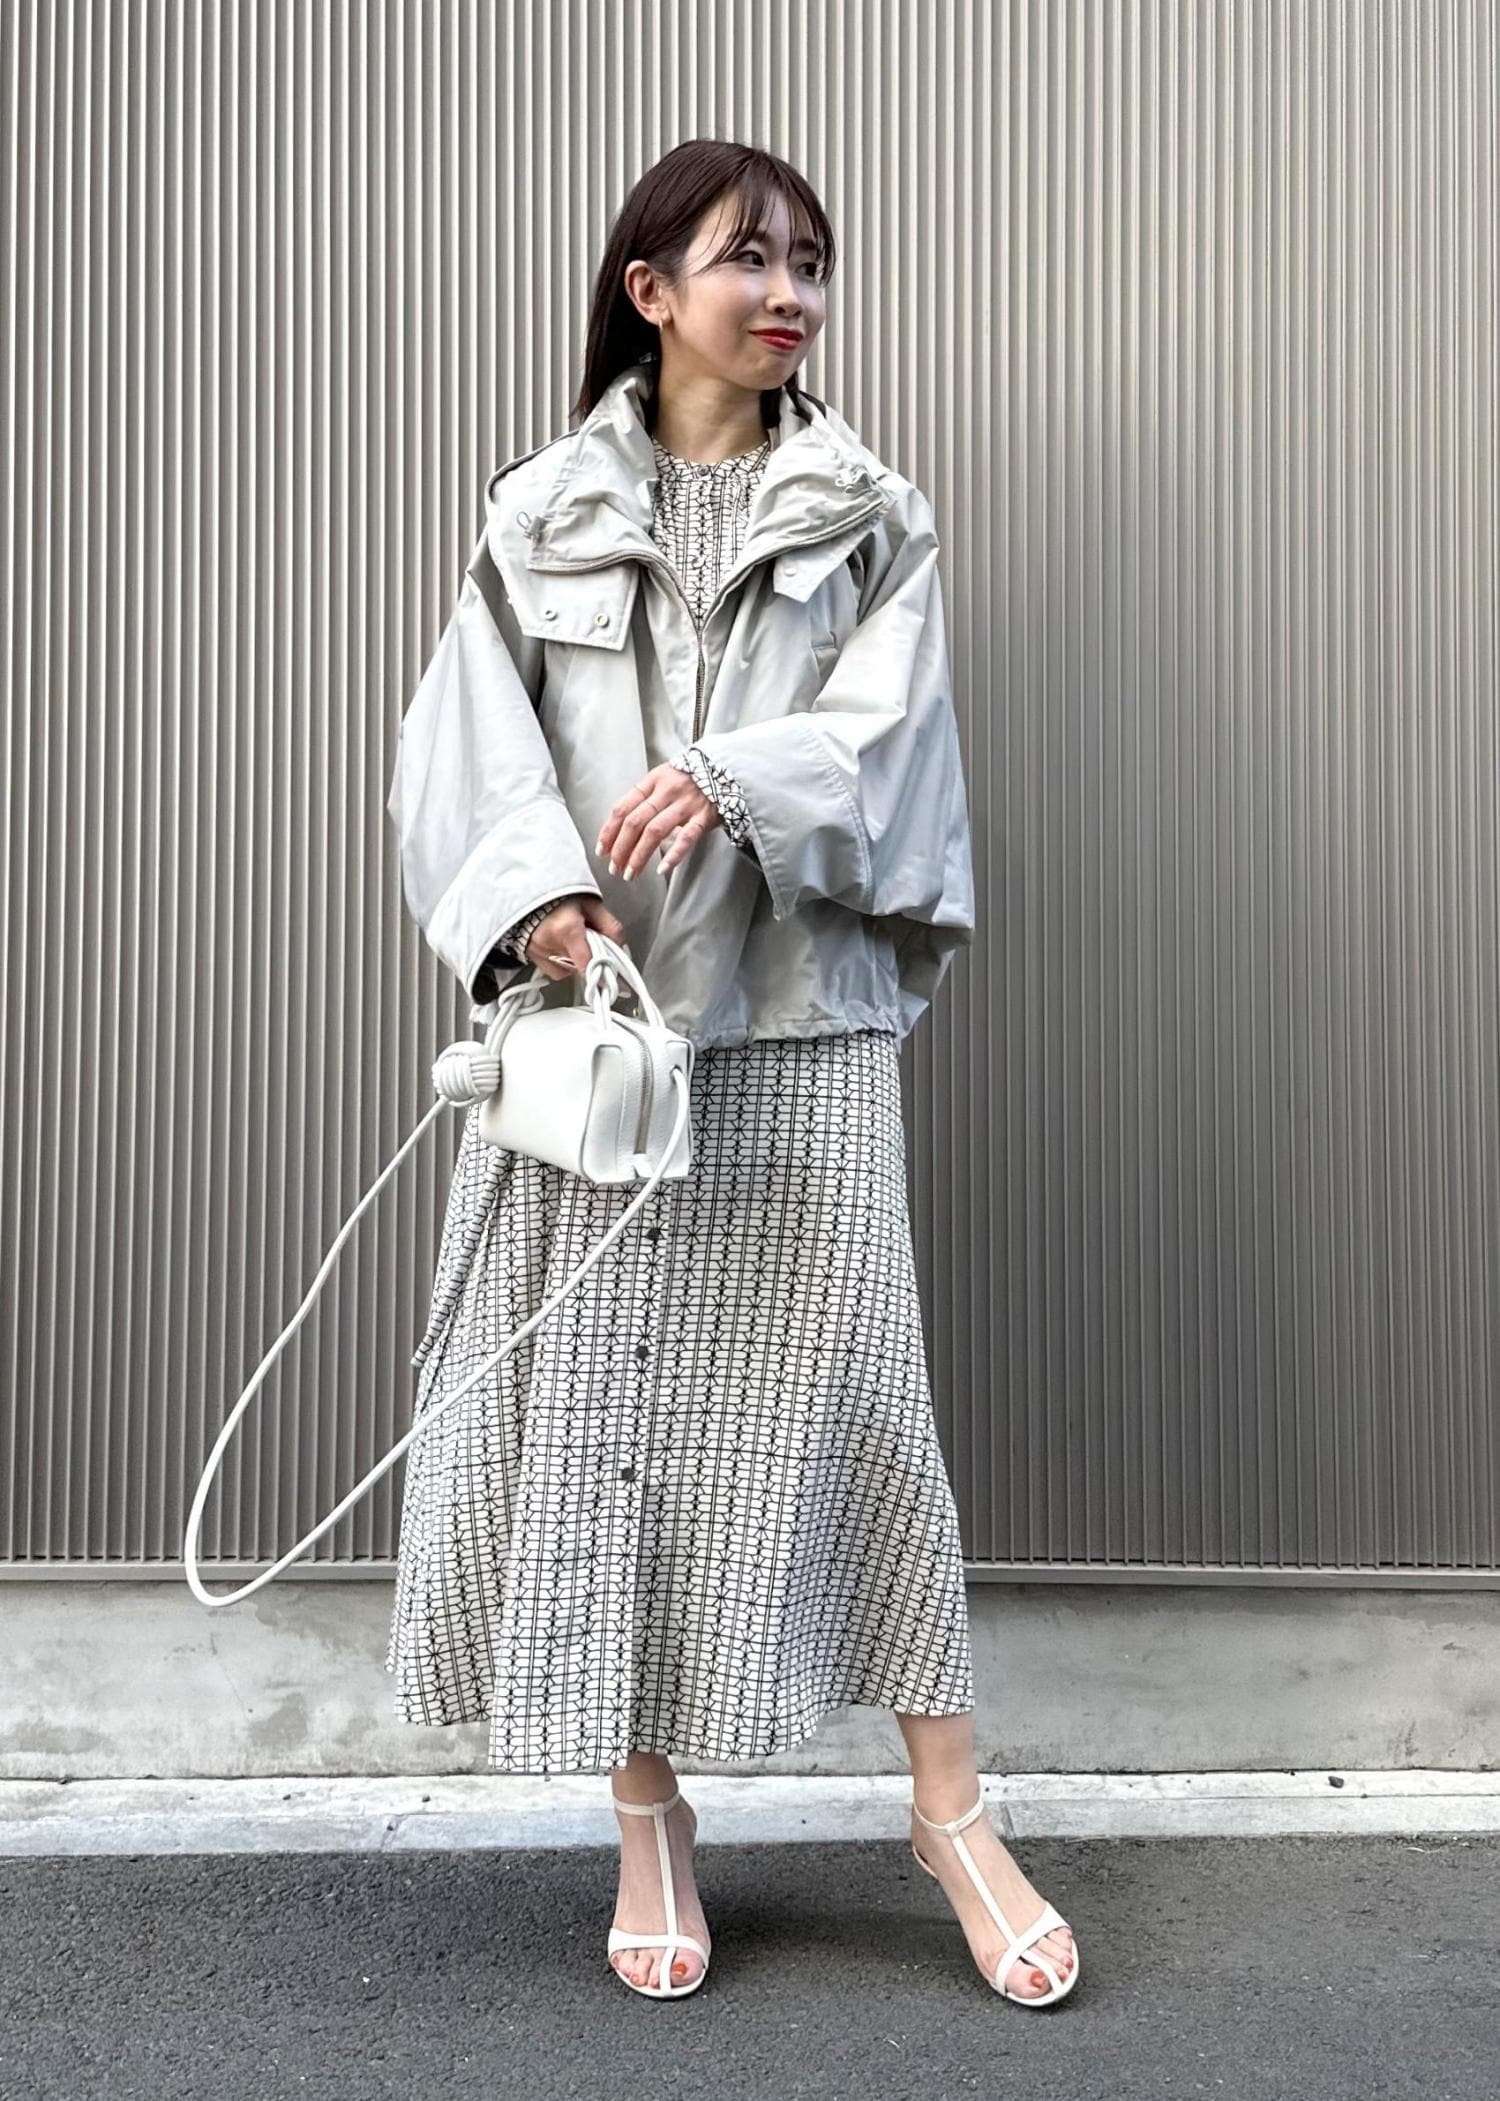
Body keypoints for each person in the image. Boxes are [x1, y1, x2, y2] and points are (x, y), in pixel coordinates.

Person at [383, 138, 1078, 2009]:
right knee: (601, 1420)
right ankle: (648, 1815)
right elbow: (465, 748)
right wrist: (536, 904)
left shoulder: (871, 515)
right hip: (601, 1050)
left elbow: (898, 743)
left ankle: (950, 1812)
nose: (790, 295)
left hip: (799, 1036)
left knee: (866, 1413)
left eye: (811, 264)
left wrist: (734, 777)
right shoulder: (538, 513)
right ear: (651, 292)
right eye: (749, 259)